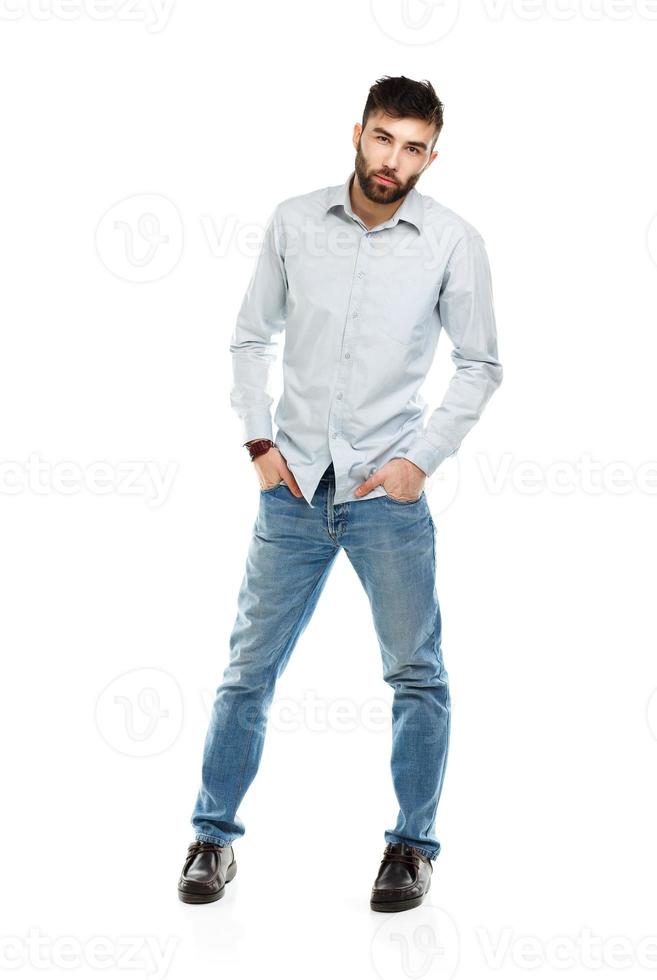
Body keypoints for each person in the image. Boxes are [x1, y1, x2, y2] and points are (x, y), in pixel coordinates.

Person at [177, 74, 503, 912]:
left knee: (414, 674)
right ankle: (212, 839)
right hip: (290, 489)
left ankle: (410, 847)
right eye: (384, 138)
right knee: (245, 672)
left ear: (432, 155)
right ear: (355, 132)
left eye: (414, 147)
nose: (395, 159)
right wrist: (257, 440)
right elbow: (250, 337)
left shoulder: (451, 241)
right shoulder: (294, 221)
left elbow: (479, 365)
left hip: (383, 496)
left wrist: (418, 462)